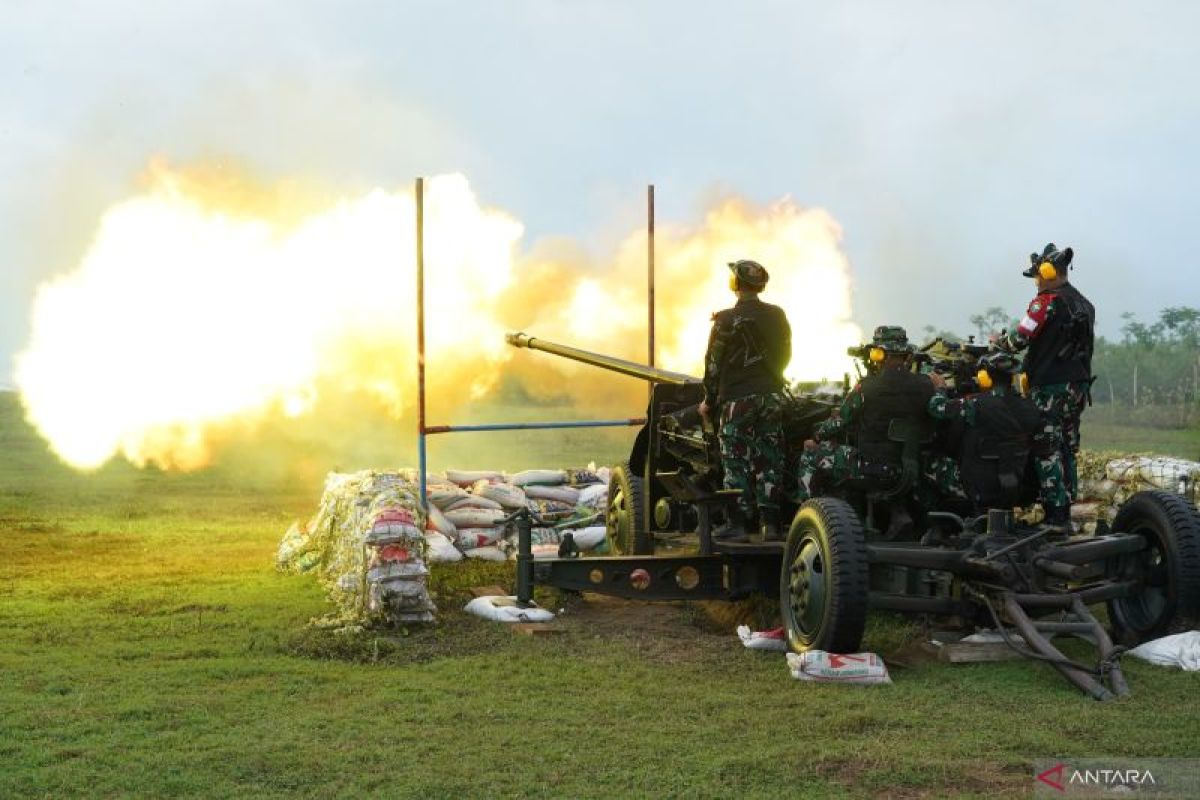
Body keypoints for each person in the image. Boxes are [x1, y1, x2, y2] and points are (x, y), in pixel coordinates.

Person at [995, 243, 1095, 528]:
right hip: (1077, 388)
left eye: (1037, 275)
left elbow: (1019, 338)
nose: (1036, 282)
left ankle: (1055, 515)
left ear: (1050, 272)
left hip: (1051, 387)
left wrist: (998, 344)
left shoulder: (1047, 301)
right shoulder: (1085, 304)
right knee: (1067, 445)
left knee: (1045, 448)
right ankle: (1067, 507)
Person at [698, 259, 792, 542]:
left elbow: (712, 365)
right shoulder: (777, 315)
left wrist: (708, 400)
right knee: (769, 459)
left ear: (736, 285)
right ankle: (771, 525)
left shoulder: (726, 319)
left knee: (735, 460)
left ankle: (736, 524)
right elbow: (786, 355)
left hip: (738, 399)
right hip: (772, 397)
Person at [797, 326, 935, 503]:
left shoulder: (867, 387)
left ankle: (808, 513)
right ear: (907, 355)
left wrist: (816, 438)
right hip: (915, 468)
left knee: (810, 453)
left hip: (873, 468)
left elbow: (839, 422)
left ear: (879, 354)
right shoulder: (927, 385)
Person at [926, 351, 1044, 512]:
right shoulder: (1029, 406)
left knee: (935, 460)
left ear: (984, 377)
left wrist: (940, 389)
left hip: (979, 488)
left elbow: (937, 408)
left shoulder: (975, 404)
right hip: (1015, 484)